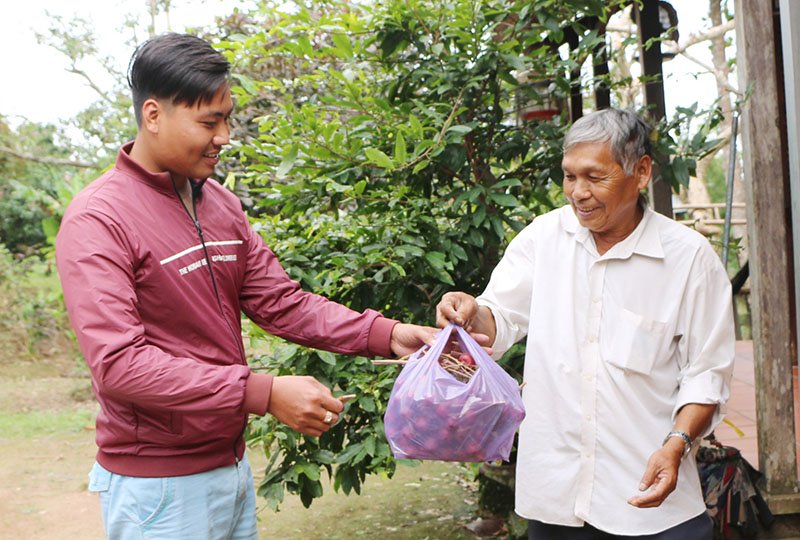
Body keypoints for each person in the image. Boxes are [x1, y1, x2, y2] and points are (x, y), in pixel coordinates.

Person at [55, 33, 440, 540]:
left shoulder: (218, 204)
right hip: (160, 489)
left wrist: (387, 334)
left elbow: (281, 303)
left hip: (230, 469)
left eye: (227, 118)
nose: (224, 136)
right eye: (209, 121)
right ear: (153, 115)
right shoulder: (99, 219)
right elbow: (120, 366)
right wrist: (263, 392)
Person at [437, 108, 734, 539]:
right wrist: (468, 311)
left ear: (642, 171)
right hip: (557, 502)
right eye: (569, 176)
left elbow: (707, 375)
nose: (578, 193)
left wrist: (677, 446)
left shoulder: (689, 260)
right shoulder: (543, 238)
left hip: (653, 504)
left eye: (595, 177)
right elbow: (497, 319)